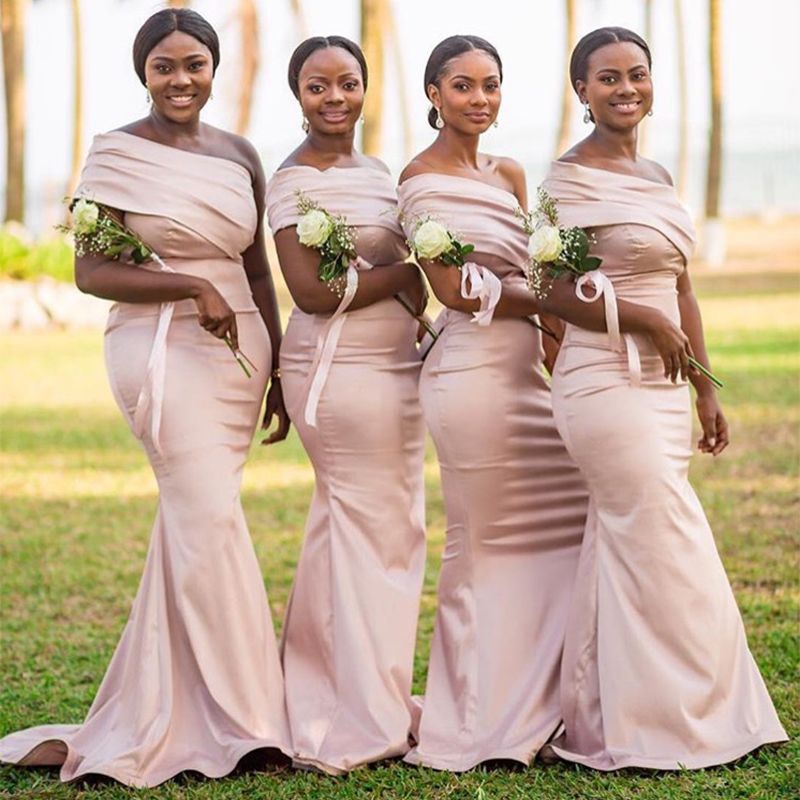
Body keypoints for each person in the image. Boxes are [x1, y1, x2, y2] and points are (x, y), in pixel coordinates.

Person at [0, 9, 290, 787]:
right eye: (164, 66)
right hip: (158, 349)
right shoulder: (114, 156)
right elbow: (91, 273)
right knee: (208, 516)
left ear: (215, 66)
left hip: (240, 354)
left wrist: (281, 368)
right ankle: (250, 721)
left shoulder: (240, 154)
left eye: (193, 63)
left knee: (195, 524)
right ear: (143, 73)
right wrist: (189, 283)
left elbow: (257, 269)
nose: (180, 79)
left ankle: (176, 704)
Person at [542, 26, 787, 770]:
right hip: (602, 379)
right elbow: (548, 291)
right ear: (580, 91)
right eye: (608, 78)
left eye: (637, 75)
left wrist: (707, 390)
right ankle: (672, 719)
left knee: (629, 539)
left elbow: (682, 286)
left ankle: (600, 713)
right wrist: (639, 318)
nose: (626, 89)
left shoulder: (655, 175)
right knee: (665, 533)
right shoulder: (565, 181)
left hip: (665, 387)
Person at [396, 35, 589, 771]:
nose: (480, 99)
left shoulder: (509, 172)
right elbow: (452, 290)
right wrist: (547, 299)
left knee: (567, 523)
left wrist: (554, 326)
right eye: (463, 86)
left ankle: (542, 702)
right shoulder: (417, 180)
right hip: (469, 379)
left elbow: (525, 266)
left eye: (491, 85)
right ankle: (474, 719)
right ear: (434, 94)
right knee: (479, 549)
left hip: (526, 379)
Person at [264, 36, 428, 775]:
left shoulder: (381, 174)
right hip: (336, 371)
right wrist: (403, 273)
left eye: (348, 84)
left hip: (398, 367)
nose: (335, 99)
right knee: (368, 531)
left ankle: (347, 691)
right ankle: (354, 713)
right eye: (317, 86)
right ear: (295, 94)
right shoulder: (289, 181)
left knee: (378, 530)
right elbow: (311, 293)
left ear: (367, 89)